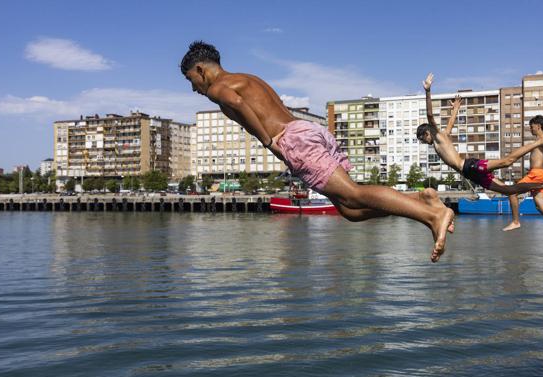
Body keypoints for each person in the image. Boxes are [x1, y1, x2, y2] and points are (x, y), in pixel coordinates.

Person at [180, 41, 454, 262]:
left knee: (354, 194)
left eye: (192, 79)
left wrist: (267, 141)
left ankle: (432, 216)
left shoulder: (219, 88)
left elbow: (236, 103)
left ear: (201, 69)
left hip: (293, 141)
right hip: (306, 130)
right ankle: (421, 199)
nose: (194, 88)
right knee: (349, 211)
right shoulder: (246, 78)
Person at [417, 73, 543, 195]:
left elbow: (430, 115)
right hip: (470, 174)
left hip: (470, 166)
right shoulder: (443, 136)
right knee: (509, 191)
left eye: (423, 139)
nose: (424, 142)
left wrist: (428, 91)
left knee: (506, 161)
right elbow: (451, 123)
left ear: (427, 132)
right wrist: (456, 108)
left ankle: (540, 141)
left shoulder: (437, 136)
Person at [503, 115, 543, 244]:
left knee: (512, 192)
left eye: (531, 127)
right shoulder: (540, 139)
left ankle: (516, 222)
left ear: (538, 126)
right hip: (538, 173)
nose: (530, 129)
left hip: (537, 174)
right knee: (540, 206)